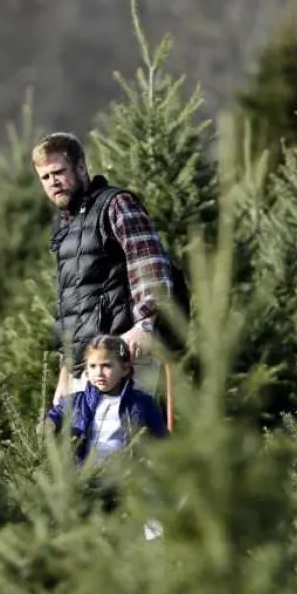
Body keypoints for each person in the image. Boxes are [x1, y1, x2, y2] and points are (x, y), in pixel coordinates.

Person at [31, 132, 178, 407]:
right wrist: (66, 373)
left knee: (123, 445)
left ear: (81, 167)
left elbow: (150, 265)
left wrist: (145, 324)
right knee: (87, 449)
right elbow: (72, 307)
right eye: (45, 177)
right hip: (87, 363)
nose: (54, 183)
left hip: (124, 354)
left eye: (59, 172)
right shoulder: (67, 227)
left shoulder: (116, 204)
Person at [45, 335, 168, 465]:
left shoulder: (142, 403)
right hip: (86, 476)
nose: (99, 373)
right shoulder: (77, 400)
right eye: (93, 366)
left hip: (128, 478)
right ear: (86, 371)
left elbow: (162, 438)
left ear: (124, 369)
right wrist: (48, 424)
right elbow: (55, 415)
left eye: (106, 366)